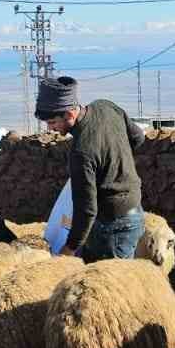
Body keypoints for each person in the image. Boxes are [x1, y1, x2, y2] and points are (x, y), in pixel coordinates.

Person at [34, 75, 145, 262]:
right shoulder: (106, 107)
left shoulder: (81, 151)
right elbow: (138, 138)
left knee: (109, 286)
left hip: (113, 227)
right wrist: (116, 163)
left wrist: (70, 247)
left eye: (53, 122)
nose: (51, 129)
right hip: (134, 210)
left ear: (69, 114)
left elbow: (86, 209)